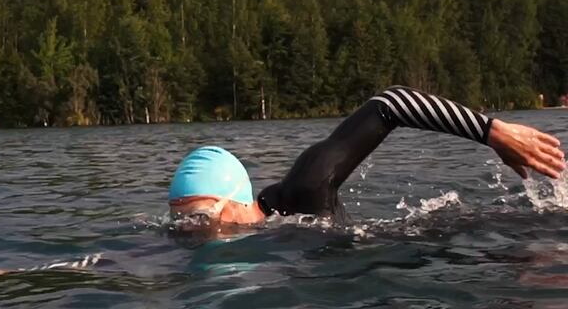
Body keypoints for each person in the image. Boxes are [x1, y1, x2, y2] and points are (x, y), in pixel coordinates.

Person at [169, 86, 565, 225]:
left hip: (456, 247)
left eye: (199, 216)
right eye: (178, 220)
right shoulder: (256, 231)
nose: (188, 231)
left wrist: (490, 132)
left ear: (236, 201)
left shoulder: (305, 187)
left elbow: (390, 104)